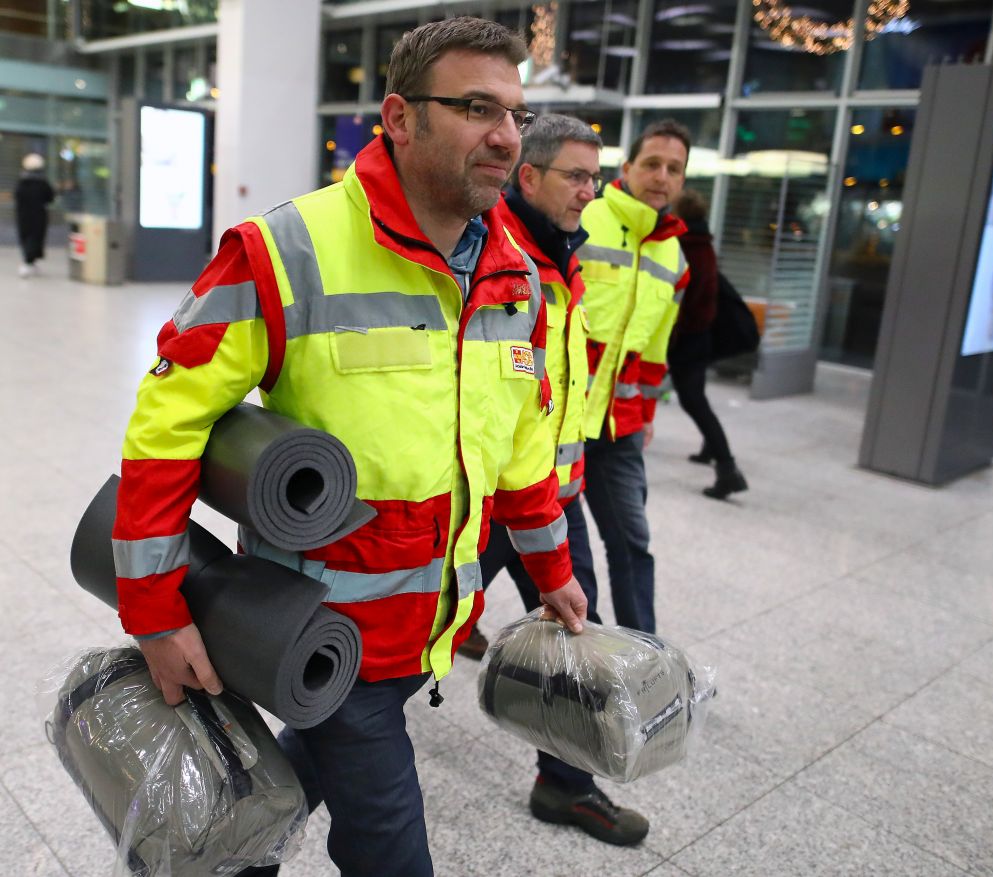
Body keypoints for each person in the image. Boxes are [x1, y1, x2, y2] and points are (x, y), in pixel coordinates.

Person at [111, 18, 588, 877]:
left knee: (295, 776)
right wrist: (153, 605)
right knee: (390, 847)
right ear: (400, 118)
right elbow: (167, 419)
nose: (506, 137)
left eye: (515, 114)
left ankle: (211, 855)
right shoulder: (286, 249)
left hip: (432, 627)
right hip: (322, 625)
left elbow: (520, 450)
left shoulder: (516, 273)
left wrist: (551, 572)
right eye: (478, 107)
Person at [461, 113, 650, 845]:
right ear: (528, 176)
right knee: (408, 654)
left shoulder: (563, 257)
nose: (589, 192)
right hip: (483, 507)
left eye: (594, 177)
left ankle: (564, 783)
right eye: (575, 176)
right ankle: (291, 780)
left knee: (577, 636)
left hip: (550, 498)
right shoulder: (494, 259)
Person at [577, 119, 691, 634]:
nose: (661, 176)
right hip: (561, 418)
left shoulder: (675, 255)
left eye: (674, 168)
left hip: (620, 428)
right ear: (626, 169)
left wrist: (645, 412)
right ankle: (450, 629)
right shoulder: (584, 217)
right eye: (651, 163)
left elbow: (656, 347)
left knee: (631, 544)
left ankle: (644, 659)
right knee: (516, 540)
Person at [668, 189, 748, 500]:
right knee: (696, 398)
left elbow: (688, 302)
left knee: (694, 401)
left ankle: (728, 469)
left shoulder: (685, 247)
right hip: (699, 338)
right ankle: (709, 450)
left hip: (688, 340)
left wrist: (674, 337)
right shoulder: (705, 244)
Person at [14, 152, 54, 278]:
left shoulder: (22, 182)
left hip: (24, 215)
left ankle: (30, 261)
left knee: (28, 238)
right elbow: (50, 197)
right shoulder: (42, 183)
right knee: (35, 238)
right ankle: (29, 262)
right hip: (37, 215)